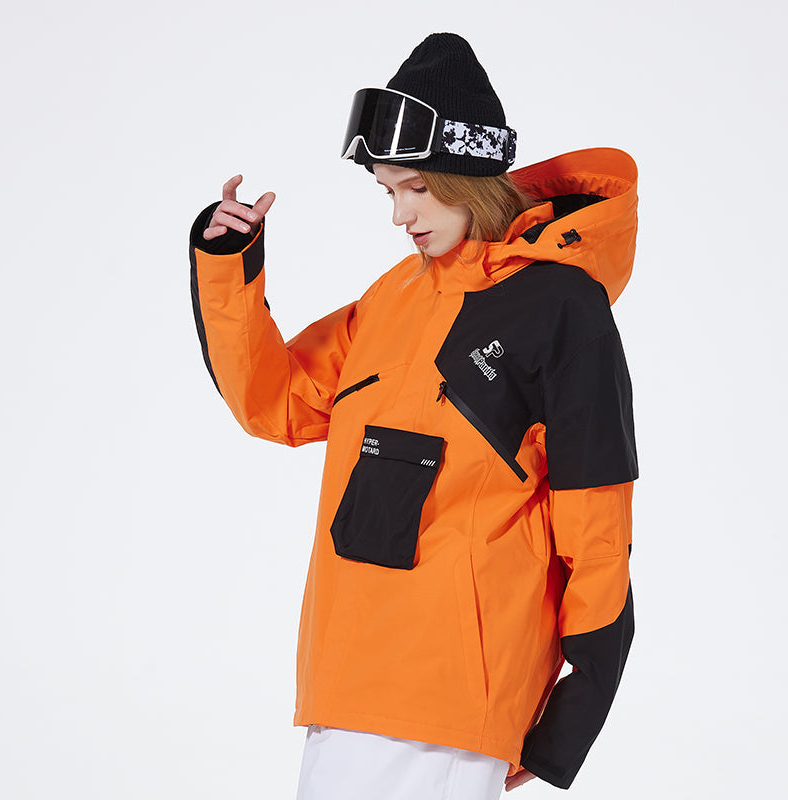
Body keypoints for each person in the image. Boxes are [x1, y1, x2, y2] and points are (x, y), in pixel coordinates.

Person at [189, 32, 638, 798]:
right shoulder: (397, 294)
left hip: (451, 688)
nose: (400, 214)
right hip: (346, 673)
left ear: (469, 175)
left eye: (417, 189)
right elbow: (276, 404)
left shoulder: (560, 306)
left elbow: (596, 523)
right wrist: (229, 263)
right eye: (387, 192)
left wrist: (573, 714)